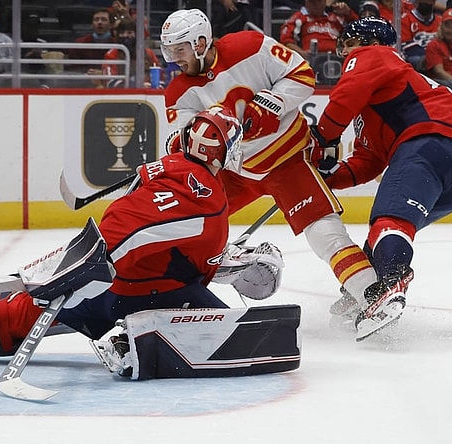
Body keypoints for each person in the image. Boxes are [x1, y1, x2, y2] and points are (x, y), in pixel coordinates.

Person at [0, 107, 289, 377]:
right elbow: (165, 240)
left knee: (23, 311)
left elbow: (143, 227)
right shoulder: (211, 204)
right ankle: (136, 344)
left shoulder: (163, 168)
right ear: (227, 154)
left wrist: (96, 257)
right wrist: (240, 265)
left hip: (115, 284)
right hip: (146, 295)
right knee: (261, 338)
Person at [160, 9, 381, 339]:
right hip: (234, 172)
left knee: (324, 233)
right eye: (168, 50)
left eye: (178, 50)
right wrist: (199, 137)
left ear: (201, 43)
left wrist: (271, 102)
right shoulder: (178, 93)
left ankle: (375, 298)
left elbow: (303, 74)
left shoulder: (249, 46)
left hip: (288, 159)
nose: (172, 59)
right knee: (184, 221)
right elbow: (181, 142)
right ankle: (167, 297)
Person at [310, 17, 452, 340]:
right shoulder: (385, 90)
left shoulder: (373, 56)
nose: (344, 53)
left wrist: (322, 137)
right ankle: (364, 293)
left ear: (367, 41)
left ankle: (389, 284)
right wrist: (328, 178)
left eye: (347, 44)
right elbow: (369, 159)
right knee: (385, 227)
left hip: (426, 143)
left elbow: (347, 94)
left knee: (389, 218)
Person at [280, 0, 357, 62]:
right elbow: (285, 41)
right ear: (307, 2)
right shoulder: (298, 18)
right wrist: (302, 53)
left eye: (319, 1)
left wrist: (348, 12)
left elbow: (358, 29)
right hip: (312, 60)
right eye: (313, 2)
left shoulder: (335, 18)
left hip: (338, 58)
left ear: (325, 2)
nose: (316, 5)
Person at [102, 18, 162, 88]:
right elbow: (110, 82)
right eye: (122, 33)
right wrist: (136, 86)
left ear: (136, 35)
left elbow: (161, 78)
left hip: (148, 94)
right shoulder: (111, 55)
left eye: (129, 32)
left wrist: (152, 86)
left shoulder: (148, 53)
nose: (125, 36)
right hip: (121, 96)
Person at [67, 8, 115, 79]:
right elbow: (73, 68)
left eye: (103, 19)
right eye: (96, 20)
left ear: (111, 25)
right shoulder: (80, 44)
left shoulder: (117, 44)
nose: (99, 22)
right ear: (92, 24)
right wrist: (86, 72)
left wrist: (103, 73)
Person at [400, 0, 440, 72]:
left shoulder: (440, 21)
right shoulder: (405, 19)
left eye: (430, 2)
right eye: (425, 1)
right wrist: (431, 56)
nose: (428, 3)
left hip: (439, 59)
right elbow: (408, 48)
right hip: (417, 59)